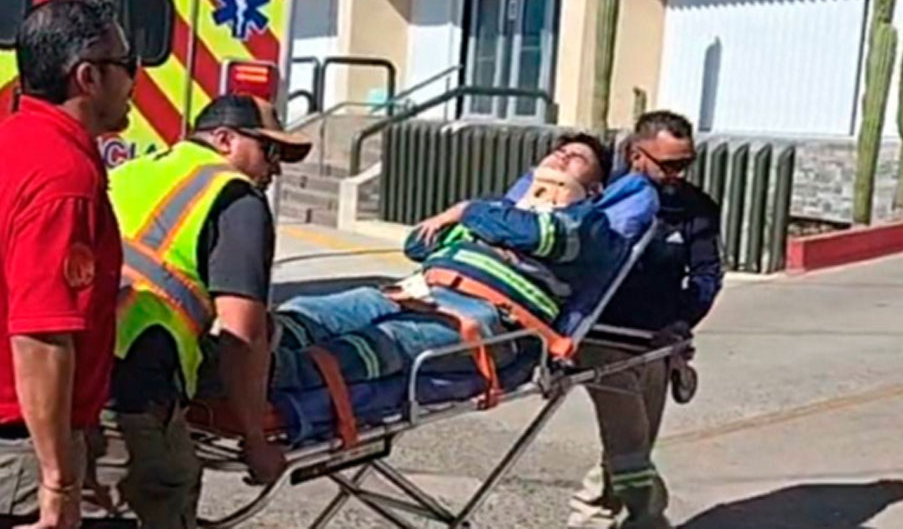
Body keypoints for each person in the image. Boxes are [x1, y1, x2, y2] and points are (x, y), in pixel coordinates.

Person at [0, 0, 135, 529]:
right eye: (127, 64)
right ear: (88, 77)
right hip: (14, 451)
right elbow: (40, 336)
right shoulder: (64, 176)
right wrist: (59, 481)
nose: (135, 81)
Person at [266, 133, 658, 403]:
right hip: (419, 291)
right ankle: (245, 354)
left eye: (577, 158)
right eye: (559, 152)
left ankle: (267, 377)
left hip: (488, 318)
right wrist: (470, 216)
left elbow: (535, 235)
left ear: (595, 189)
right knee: (312, 311)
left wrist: (466, 211)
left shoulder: (589, 224)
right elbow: (419, 244)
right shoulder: (496, 209)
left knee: (384, 342)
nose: (562, 158)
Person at [106, 93, 312, 528]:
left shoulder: (131, 171)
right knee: (162, 498)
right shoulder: (236, 198)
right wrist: (255, 440)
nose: (275, 168)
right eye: (269, 150)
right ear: (224, 139)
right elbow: (243, 336)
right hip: (134, 390)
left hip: (71, 367)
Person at [567, 110, 724, 529]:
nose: (677, 174)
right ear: (637, 155)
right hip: (599, 338)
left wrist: (682, 322)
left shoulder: (696, 208)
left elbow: (706, 274)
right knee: (630, 444)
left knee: (632, 445)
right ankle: (646, 519)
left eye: (685, 163)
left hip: (655, 343)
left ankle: (594, 511)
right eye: (668, 164)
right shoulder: (602, 198)